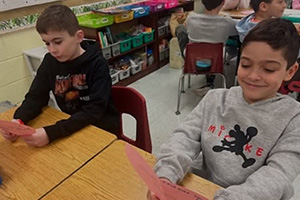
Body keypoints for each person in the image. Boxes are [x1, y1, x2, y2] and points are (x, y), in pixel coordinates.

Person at [148, 18, 300, 200]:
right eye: (245, 65)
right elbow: (184, 137)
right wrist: (166, 174)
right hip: (202, 186)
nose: (253, 76)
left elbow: (277, 174)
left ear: (290, 71)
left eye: (268, 69)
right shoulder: (215, 98)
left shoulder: (293, 118)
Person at [0, 5, 120, 147]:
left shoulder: (97, 64)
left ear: (79, 37)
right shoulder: (50, 62)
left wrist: (52, 133)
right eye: (47, 43)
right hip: (71, 125)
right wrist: (18, 121)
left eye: (58, 42)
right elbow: (36, 96)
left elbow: (95, 110)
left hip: (101, 129)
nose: (52, 49)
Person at [176, 0, 238, 93]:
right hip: (215, 62)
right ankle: (210, 81)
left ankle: (187, 61)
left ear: (202, 2)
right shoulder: (227, 22)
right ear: (223, 3)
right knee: (213, 44)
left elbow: (187, 28)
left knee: (180, 29)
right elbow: (239, 29)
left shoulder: (191, 19)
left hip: (193, 61)